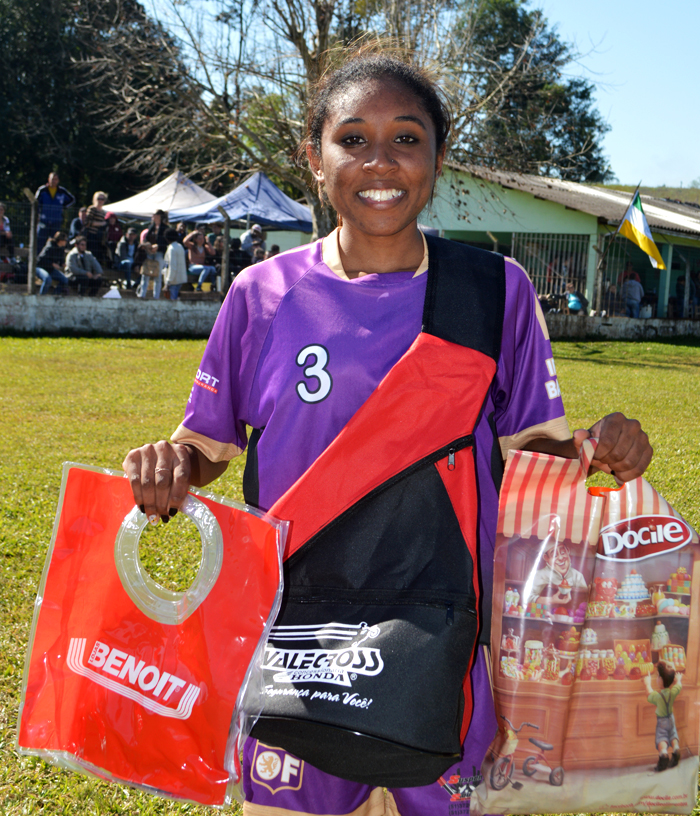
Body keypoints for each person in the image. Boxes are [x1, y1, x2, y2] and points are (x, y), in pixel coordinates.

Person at [123, 52, 652, 816]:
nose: (381, 163)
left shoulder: (493, 292)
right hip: (295, 638)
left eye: (407, 139)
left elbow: (533, 454)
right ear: (315, 159)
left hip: (441, 644)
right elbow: (208, 446)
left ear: (437, 158)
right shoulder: (261, 294)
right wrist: (169, 466)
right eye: (354, 139)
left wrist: (601, 447)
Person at [643, 661, 682, 771]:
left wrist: (647, 684)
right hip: (671, 718)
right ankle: (676, 749)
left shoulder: (658, 697)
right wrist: (678, 680)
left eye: (658, 676)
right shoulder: (672, 692)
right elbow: (678, 686)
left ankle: (664, 755)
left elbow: (649, 693)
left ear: (660, 680)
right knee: (673, 734)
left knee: (662, 738)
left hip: (662, 721)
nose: (657, 678)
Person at [527, 541, 588, 606]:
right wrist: (551, 600)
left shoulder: (577, 576)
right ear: (546, 558)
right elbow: (527, 598)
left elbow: (585, 599)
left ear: (567, 551)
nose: (561, 558)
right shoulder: (540, 575)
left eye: (563, 552)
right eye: (554, 555)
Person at [35, 172, 76, 250]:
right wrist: (37, 215)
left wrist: (63, 207)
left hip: (56, 220)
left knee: (55, 241)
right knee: (40, 240)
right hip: (44, 221)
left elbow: (72, 199)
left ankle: (52, 259)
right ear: (48, 179)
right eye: (52, 179)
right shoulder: (43, 190)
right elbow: (36, 203)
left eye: (56, 179)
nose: (54, 181)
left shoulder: (62, 191)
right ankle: (38, 259)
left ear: (58, 181)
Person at [84, 192, 109, 265]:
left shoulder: (103, 212)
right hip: (91, 235)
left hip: (99, 237)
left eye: (102, 199)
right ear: (95, 199)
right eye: (99, 198)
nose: (100, 201)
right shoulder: (92, 209)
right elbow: (87, 222)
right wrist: (100, 224)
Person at [163, 228, 188, 300]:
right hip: (180, 279)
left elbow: (172, 266)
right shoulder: (180, 246)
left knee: (172, 302)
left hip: (173, 281)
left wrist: (168, 282)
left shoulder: (171, 249)